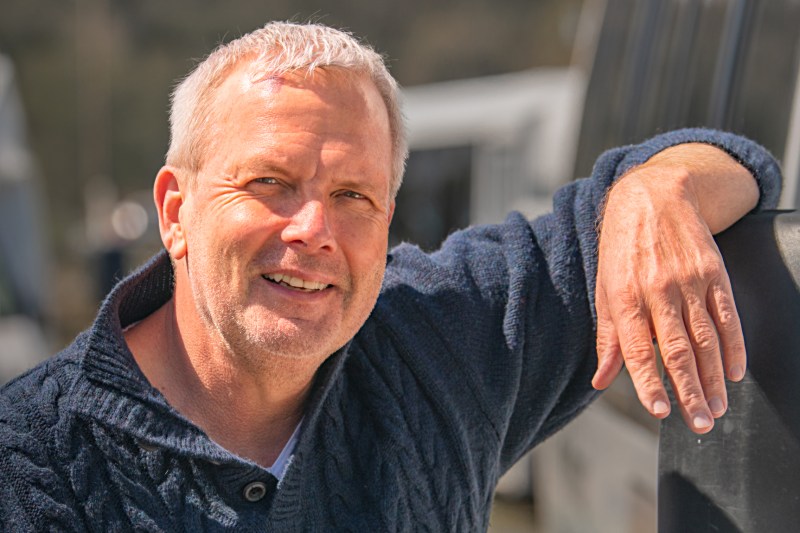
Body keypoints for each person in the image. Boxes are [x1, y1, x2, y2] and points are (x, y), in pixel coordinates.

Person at [0, 21, 780, 531]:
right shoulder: (33, 459)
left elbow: (737, 165)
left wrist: (653, 191)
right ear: (175, 211)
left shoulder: (439, 336)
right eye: (270, 183)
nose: (314, 230)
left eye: (352, 196)